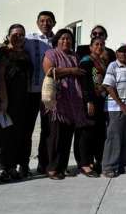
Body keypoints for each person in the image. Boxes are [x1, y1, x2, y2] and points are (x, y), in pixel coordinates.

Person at [43, 29, 94, 180]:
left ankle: (62, 167)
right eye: (63, 38)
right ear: (57, 40)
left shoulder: (75, 56)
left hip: (73, 101)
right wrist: (71, 70)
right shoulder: (51, 54)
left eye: (69, 39)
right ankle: (52, 168)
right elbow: (49, 71)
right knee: (56, 136)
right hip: (58, 101)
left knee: (67, 136)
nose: (66, 41)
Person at [0, 24, 33, 182]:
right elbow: (0, 77)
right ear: (8, 36)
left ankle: (12, 166)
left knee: (16, 134)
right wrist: (4, 100)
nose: (18, 37)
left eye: (22, 35)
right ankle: (1, 168)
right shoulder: (3, 52)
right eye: (15, 34)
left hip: (22, 100)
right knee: (2, 135)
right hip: (5, 98)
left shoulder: (26, 54)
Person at [101, 44, 126, 178]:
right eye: (121, 51)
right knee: (114, 137)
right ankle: (109, 166)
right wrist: (122, 105)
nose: (124, 54)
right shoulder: (113, 66)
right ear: (117, 53)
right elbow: (108, 86)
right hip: (115, 108)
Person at [24, 10, 55, 175]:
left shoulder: (58, 40)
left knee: (48, 129)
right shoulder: (29, 39)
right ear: (37, 23)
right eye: (42, 21)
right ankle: (23, 164)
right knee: (26, 129)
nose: (45, 23)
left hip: (50, 93)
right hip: (31, 91)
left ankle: (44, 163)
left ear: (54, 23)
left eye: (49, 21)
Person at [78, 37, 110, 173]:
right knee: (88, 132)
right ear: (90, 47)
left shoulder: (103, 61)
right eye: (96, 44)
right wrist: (89, 101)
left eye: (102, 44)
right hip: (90, 101)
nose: (99, 46)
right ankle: (85, 162)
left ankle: (98, 160)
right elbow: (85, 83)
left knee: (99, 132)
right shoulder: (86, 61)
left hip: (101, 100)